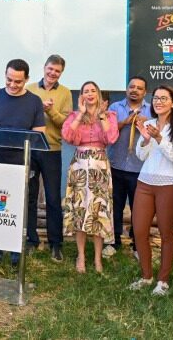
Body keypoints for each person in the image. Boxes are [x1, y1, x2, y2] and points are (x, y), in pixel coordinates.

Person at [0, 59, 45, 269]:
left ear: (26, 79)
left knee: (16, 208)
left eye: (18, 81)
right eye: (9, 80)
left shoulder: (34, 101)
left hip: (20, 162)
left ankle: (17, 253)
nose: (13, 85)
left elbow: (39, 132)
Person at [128, 85, 173, 296]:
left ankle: (163, 280)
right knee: (139, 230)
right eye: (156, 98)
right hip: (145, 182)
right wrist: (145, 138)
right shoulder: (149, 123)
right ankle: (146, 276)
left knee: (166, 233)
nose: (159, 101)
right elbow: (140, 155)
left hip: (170, 184)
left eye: (164, 98)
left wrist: (159, 138)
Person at [61, 81, 119, 273]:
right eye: (86, 91)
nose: (90, 94)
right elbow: (68, 136)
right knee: (80, 210)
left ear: (99, 94)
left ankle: (97, 258)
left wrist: (101, 115)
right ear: (81, 96)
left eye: (93, 90)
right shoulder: (74, 116)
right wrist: (79, 113)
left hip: (99, 167)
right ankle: (81, 256)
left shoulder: (110, 115)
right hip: (79, 166)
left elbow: (111, 138)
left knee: (98, 212)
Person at [25, 55, 73, 262]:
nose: (53, 73)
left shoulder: (65, 93)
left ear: (61, 73)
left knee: (53, 198)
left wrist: (51, 111)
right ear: (44, 68)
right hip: (31, 149)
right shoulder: (30, 88)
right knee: (30, 196)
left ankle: (56, 243)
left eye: (57, 71)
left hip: (52, 150)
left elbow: (67, 123)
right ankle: (32, 239)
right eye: (50, 69)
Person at [104, 76, 151, 259]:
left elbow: (157, 134)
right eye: (132, 87)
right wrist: (124, 122)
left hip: (140, 168)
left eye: (139, 88)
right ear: (126, 89)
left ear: (144, 92)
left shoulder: (151, 110)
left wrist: (146, 124)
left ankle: (137, 245)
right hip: (116, 165)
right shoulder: (115, 108)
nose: (135, 90)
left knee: (138, 209)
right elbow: (107, 132)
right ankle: (113, 242)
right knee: (115, 206)